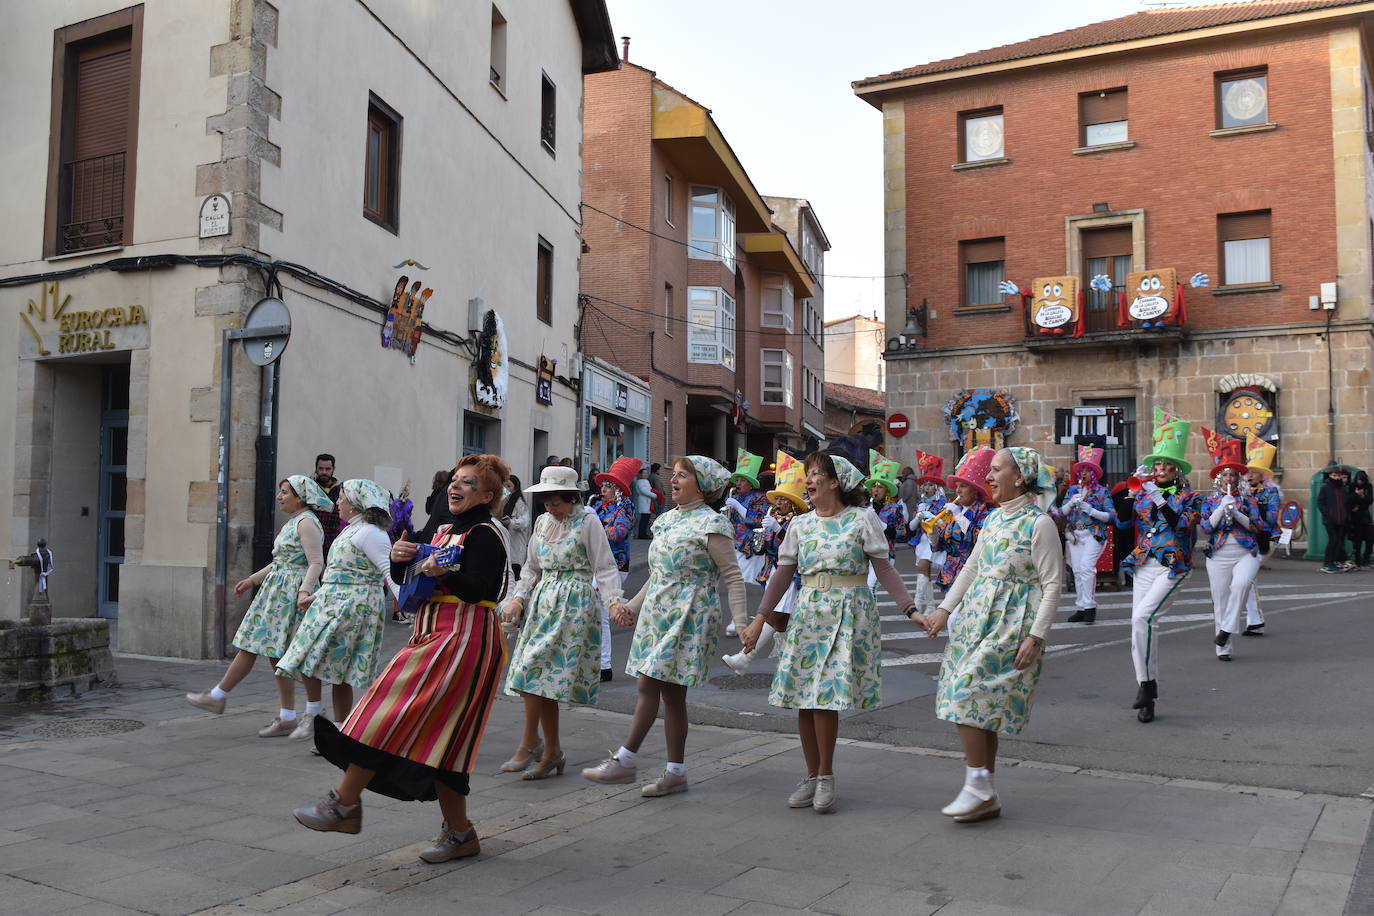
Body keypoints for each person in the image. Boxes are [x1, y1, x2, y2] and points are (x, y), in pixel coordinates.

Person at [293, 455, 511, 863]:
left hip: (464, 638)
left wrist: (440, 572)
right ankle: (460, 834)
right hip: (432, 633)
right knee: (444, 738)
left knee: (390, 713)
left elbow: (485, 589)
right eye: (454, 480)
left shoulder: (487, 533)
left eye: (468, 483)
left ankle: (344, 803)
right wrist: (401, 559)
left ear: (487, 495)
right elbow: (410, 580)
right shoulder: (445, 527)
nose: (456, 487)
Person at [746, 452, 921, 814]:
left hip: (848, 612)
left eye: (815, 475)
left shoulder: (862, 519)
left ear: (835, 481)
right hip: (809, 611)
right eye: (808, 475)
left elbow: (884, 569)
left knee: (824, 696)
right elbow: (782, 574)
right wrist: (760, 617)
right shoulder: (801, 525)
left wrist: (910, 609)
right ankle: (810, 775)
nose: (808, 481)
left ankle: (825, 775)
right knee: (803, 696)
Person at [582, 456, 747, 796]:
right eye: (673, 474)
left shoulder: (712, 524)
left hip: (689, 613)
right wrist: (630, 606)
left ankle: (625, 760)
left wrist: (742, 622)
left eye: (682, 475)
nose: (673, 480)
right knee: (671, 695)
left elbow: (733, 576)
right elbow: (657, 576)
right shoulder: (666, 521)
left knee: (649, 682)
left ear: (702, 484)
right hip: (658, 612)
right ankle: (676, 772)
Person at [920, 448, 1062, 824]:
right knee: (983, 709)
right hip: (975, 620)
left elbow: (1052, 584)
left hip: (1011, 624)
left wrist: (1037, 636)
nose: (990, 477)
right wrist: (944, 610)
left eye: (997, 470)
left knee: (965, 694)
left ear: (1020, 477)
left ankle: (977, 785)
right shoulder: (996, 519)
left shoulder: (1039, 524)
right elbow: (970, 568)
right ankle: (986, 792)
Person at [499, 466, 624, 779]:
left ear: (572, 498)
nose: (550, 509)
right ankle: (551, 751)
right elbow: (530, 567)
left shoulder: (588, 521)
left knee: (537, 672)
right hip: (544, 602)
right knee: (537, 676)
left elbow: (605, 567)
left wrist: (613, 602)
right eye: (546, 502)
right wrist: (517, 598)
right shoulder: (542, 522)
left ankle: (532, 744)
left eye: (557, 502)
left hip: (575, 604)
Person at [185, 476, 330, 735]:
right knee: (276, 654)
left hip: (291, 596)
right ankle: (289, 716)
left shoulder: (307, 522)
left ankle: (220, 695)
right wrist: (252, 580)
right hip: (277, 593)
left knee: (271, 650)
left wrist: (304, 591)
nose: (279, 496)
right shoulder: (294, 522)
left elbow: (316, 563)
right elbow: (280, 563)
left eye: (285, 492)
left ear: (300, 497)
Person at [276, 479, 398, 738]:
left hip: (355, 608)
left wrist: (410, 608)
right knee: (308, 657)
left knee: (339, 669)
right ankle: (316, 713)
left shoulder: (371, 534)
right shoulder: (352, 530)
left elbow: (390, 574)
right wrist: (318, 595)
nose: (338, 502)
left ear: (355, 504)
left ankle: (340, 729)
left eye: (342, 497)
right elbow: (339, 573)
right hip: (332, 604)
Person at [1117, 408, 1201, 723]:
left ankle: (1148, 686)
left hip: (1173, 567)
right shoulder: (1144, 495)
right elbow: (1123, 523)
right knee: (1138, 626)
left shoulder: (1191, 499)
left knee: (1143, 617)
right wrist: (1133, 488)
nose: (1161, 468)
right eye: (1158, 465)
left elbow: (1181, 525)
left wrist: (1158, 497)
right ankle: (1147, 692)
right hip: (1143, 565)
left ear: (1177, 471)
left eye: (1167, 465)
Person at [723, 451, 807, 674]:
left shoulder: (799, 521)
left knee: (773, 615)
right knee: (782, 621)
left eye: (783, 499)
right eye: (777, 498)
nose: (778, 503)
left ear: (793, 503)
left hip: (793, 576)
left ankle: (745, 658)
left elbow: (798, 547)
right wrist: (766, 532)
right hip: (775, 572)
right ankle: (789, 662)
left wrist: (779, 530)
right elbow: (767, 548)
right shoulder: (776, 516)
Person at [1198, 430, 1263, 661]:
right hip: (1218, 554)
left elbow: (1257, 527)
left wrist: (1237, 513)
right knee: (1221, 600)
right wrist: (1219, 510)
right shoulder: (1210, 501)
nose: (1230, 479)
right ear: (1219, 479)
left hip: (1246, 551)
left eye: (1234, 475)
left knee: (1242, 584)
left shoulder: (1248, 500)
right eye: (1226, 475)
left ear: (1238, 479)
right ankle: (1223, 648)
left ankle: (1227, 628)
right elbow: (1205, 527)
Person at [591, 457, 641, 680]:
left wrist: (595, 528)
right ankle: (594, 661)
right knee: (590, 613)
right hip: (595, 565)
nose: (602, 489)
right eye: (602, 485)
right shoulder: (596, 507)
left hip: (614, 567)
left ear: (618, 491)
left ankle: (605, 665)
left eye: (607, 486)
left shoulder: (624, 510)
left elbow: (618, 533)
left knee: (601, 614)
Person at [934, 448, 997, 617]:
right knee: (952, 622)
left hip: (973, 576)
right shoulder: (953, 510)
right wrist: (932, 533)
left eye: (963, 486)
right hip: (951, 573)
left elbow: (978, 539)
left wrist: (959, 516)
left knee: (959, 621)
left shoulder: (986, 511)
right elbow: (940, 545)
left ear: (975, 490)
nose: (958, 490)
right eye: (957, 486)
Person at [1058, 446, 1116, 624]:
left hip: (1094, 534)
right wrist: (1069, 505)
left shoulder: (1102, 492)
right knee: (1077, 570)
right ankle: (1081, 607)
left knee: (1086, 568)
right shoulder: (1072, 490)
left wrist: (1092, 511)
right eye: (1081, 470)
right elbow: (1061, 513)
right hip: (1075, 534)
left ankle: (1090, 607)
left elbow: (1112, 516)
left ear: (1094, 473)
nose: (1083, 474)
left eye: (1086, 470)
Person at [1242, 435, 1282, 635]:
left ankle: (1256, 621)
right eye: (1248, 472)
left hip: (1266, 540)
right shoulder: (1243, 492)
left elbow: (1270, 520)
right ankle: (1255, 621)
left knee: (1248, 578)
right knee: (1248, 580)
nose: (1249, 475)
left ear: (1262, 476)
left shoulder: (1271, 494)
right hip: (1247, 541)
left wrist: (1253, 504)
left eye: (1254, 472)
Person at [725, 450, 770, 600]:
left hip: (750, 545)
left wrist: (738, 507)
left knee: (746, 583)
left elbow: (758, 520)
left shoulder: (760, 498)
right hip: (734, 544)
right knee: (735, 581)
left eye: (742, 481)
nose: (738, 484)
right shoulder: (734, 496)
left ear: (751, 484)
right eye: (737, 480)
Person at [908, 451, 948, 617]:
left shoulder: (944, 504)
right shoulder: (921, 504)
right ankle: (930, 605)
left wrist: (932, 517)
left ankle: (917, 601)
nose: (927, 487)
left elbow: (944, 524)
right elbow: (911, 528)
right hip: (922, 541)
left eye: (931, 484)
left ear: (936, 487)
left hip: (935, 541)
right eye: (925, 484)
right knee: (925, 572)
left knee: (923, 567)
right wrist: (918, 516)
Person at [866, 450, 909, 592]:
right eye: (874, 486)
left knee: (871, 587)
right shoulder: (867, 507)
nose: (875, 490)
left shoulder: (894, 508)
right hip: (865, 554)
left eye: (879, 487)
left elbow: (901, 533)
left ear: (887, 490)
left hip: (884, 554)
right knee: (865, 590)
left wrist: (881, 524)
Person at [1317, 465, 1352, 573]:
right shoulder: (1325, 487)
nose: (1336, 477)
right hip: (1330, 520)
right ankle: (1327, 563)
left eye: (1338, 476)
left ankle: (1335, 562)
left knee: (1338, 542)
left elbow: (1345, 503)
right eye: (1334, 475)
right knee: (1333, 541)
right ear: (1330, 476)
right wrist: (1328, 514)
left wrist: (1346, 514)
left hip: (1341, 519)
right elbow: (1320, 502)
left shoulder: (1342, 488)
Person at [499, 474, 529, 581]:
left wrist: (511, 522)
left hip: (515, 542)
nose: (505, 489)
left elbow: (525, 521)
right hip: (505, 540)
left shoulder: (518, 501)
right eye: (504, 486)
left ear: (515, 488)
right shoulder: (502, 500)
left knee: (515, 572)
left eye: (508, 486)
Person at [313, 453, 344, 552]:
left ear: (333, 469)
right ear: (316, 469)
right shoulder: (309, 487)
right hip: (312, 535)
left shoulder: (341, 489)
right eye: (320, 469)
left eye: (327, 469)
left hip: (333, 536)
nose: (324, 472)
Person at [1349, 469, 1372, 570]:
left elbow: (1369, 501)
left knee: (1370, 539)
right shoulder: (1352, 486)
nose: (1360, 482)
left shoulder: (1368, 487)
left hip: (1365, 516)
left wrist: (1362, 496)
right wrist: (1357, 496)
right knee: (1357, 541)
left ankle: (1366, 559)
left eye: (1361, 480)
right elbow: (1350, 500)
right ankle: (1358, 561)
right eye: (1358, 480)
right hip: (1356, 517)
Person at [633, 467, 656, 539]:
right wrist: (654, 495)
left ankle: (644, 533)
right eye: (644, 473)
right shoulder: (640, 482)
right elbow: (644, 491)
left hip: (647, 501)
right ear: (640, 474)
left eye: (646, 473)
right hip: (643, 502)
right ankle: (642, 534)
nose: (646, 474)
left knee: (646, 519)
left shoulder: (645, 481)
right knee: (644, 519)